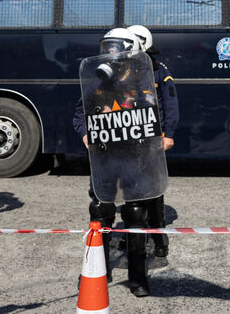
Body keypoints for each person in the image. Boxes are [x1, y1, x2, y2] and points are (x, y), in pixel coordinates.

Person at [73, 27, 160, 297]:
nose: (110, 54)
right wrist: (85, 133)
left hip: (134, 159)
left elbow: (153, 122)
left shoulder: (142, 85)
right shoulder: (96, 85)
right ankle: (97, 270)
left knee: (135, 214)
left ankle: (137, 277)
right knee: (100, 210)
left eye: (116, 48)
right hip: (105, 159)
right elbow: (79, 114)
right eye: (107, 48)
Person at [126, 25, 178, 259]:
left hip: (151, 138)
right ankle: (133, 235)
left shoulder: (159, 71)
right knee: (130, 188)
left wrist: (168, 135)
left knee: (153, 190)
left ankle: (159, 238)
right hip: (127, 138)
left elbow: (171, 106)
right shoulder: (123, 70)